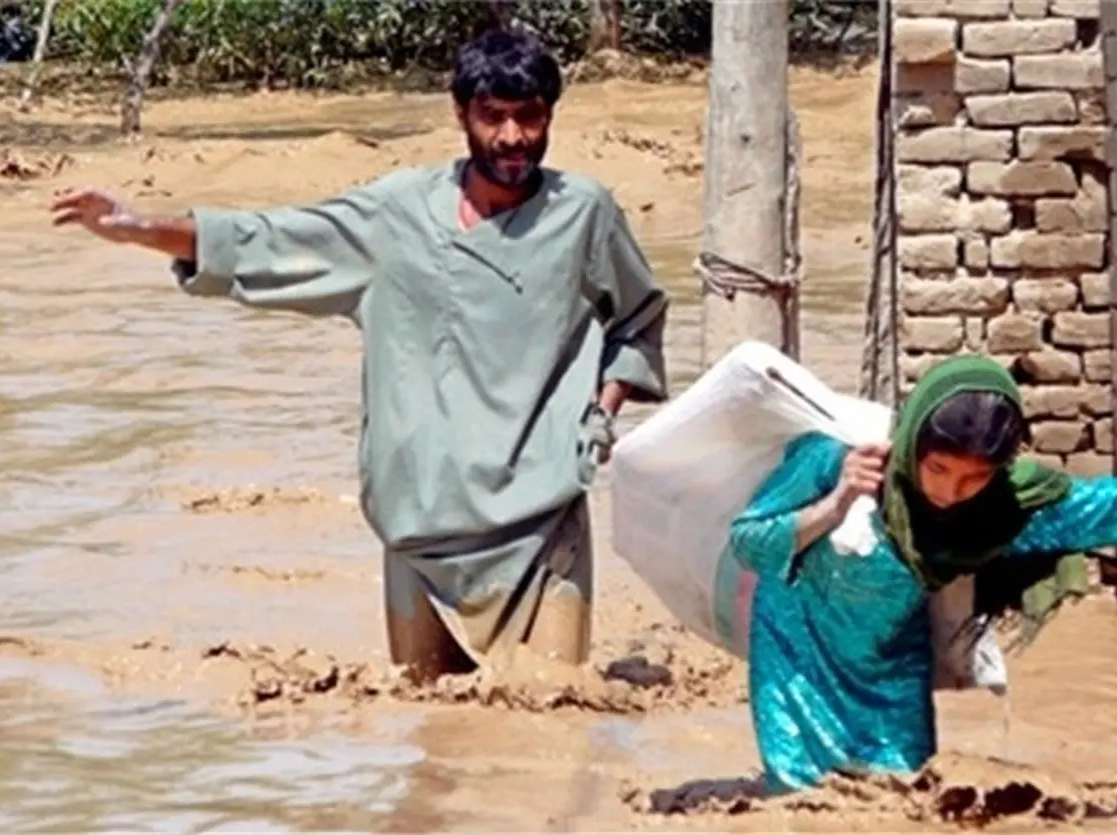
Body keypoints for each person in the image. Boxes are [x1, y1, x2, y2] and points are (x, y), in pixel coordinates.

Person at [49, 29, 669, 682]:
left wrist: (601, 415)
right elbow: (271, 241)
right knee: (430, 726)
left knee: (555, 711)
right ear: (461, 114)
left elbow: (638, 319)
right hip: (418, 523)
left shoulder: (584, 214)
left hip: (542, 523)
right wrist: (142, 228)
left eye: (529, 117)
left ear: (550, 115)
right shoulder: (395, 216)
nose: (512, 136)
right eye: (493, 116)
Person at [729, 354, 1117, 792]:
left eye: (974, 478)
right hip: (797, 656)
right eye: (937, 469)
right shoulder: (839, 459)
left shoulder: (1003, 511)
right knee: (800, 804)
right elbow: (749, 542)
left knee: (902, 798)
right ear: (911, 442)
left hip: (892, 669)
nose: (949, 492)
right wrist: (835, 504)